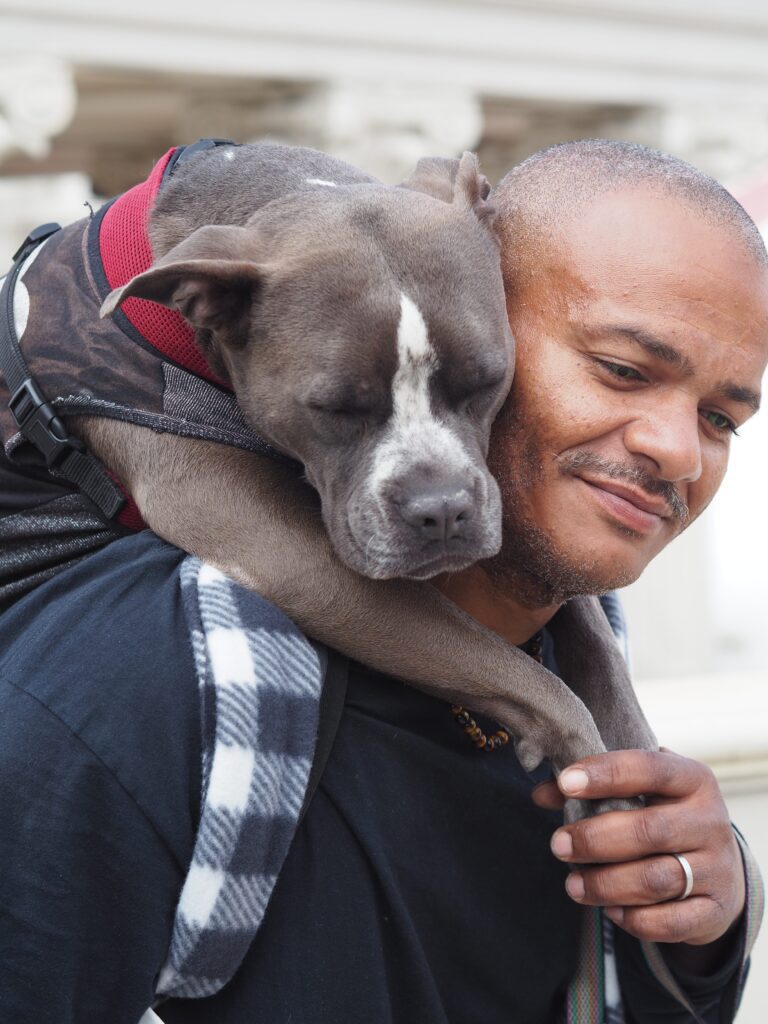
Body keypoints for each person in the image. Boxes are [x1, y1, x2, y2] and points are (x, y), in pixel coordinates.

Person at [0, 140, 766, 1023]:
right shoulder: (152, 677)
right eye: (623, 369)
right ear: (498, 308)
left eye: (721, 418)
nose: (676, 447)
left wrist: (704, 923)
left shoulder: (580, 644)